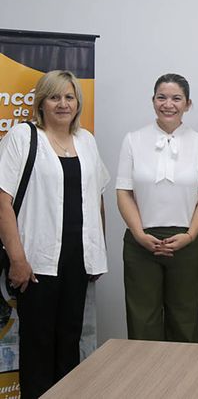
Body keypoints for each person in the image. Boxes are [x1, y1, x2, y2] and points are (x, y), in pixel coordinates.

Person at [0, 70, 109, 398]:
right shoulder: (23, 137)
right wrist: (17, 259)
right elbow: (3, 201)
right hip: (36, 263)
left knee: (70, 342)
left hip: (78, 262)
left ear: (78, 103)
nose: (63, 104)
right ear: (41, 102)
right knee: (38, 345)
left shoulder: (86, 140)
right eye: (54, 97)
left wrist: (96, 252)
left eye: (69, 97)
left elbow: (96, 198)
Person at [116, 73, 198, 342]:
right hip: (141, 241)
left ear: (188, 104)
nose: (168, 104)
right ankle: (146, 383)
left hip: (186, 240)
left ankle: (183, 383)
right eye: (162, 97)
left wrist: (191, 235)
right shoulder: (133, 140)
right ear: (153, 101)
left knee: (184, 319)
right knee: (142, 321)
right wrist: (138, 234)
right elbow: (124, 192)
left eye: (176, 98)